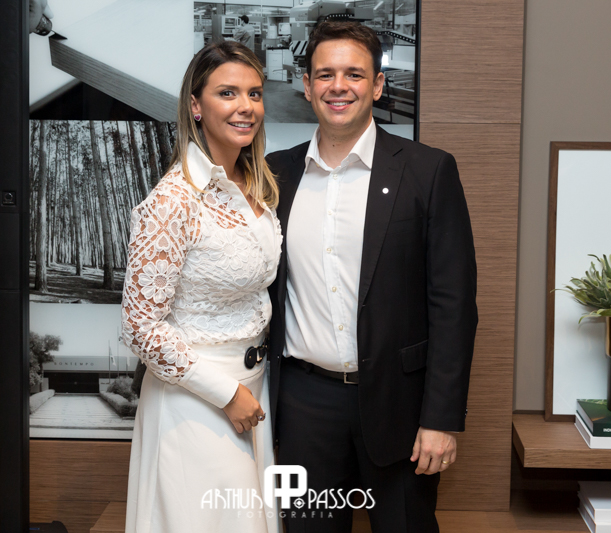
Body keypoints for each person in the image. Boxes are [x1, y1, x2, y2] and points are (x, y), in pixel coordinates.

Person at [266, 21, 478, 532]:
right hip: (303, 408)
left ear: (377, 85)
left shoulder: (428, 171)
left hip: (399, 405)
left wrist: (441, 419)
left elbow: (453, 306)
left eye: (354, 74)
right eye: (325, 74)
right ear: (306, 85)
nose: (338, 86)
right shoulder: (275, 175)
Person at [121, 41, 281, 533]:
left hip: (254, 388)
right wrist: (226, 393)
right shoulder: (173, 200)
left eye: (254, 94)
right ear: (196, 105)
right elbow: (140, 327)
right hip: (195, 401)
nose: (245, 106)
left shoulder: (254, 186)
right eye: (227, 93)